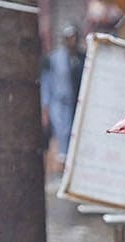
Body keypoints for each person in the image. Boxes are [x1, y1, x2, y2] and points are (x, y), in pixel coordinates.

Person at [40, 24, 86, 169]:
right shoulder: (55, 59)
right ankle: (62, 162)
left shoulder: (82, 58)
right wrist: (45, 105)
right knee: (62, 131)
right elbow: (47, 82)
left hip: (77, 102)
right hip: (59, 102)